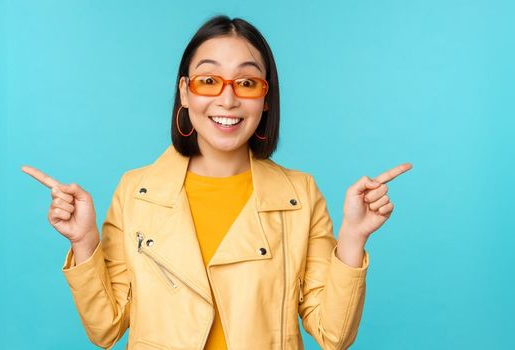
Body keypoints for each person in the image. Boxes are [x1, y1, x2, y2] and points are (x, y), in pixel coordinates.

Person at [22, 15, 411, 350]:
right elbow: (105, 328)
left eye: (246, 83)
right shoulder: (136, 191)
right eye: (208, 80)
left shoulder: (299, 195)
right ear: (184, 93)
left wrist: (354, 238)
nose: (227, 100)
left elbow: (333, 335)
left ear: (266, 99)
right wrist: (84, 241)